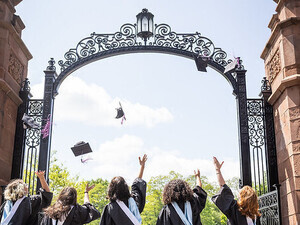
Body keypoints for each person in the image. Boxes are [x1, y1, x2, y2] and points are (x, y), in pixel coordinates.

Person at [99, 154, 147, 225]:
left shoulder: (109, 208)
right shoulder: (133, 202)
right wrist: (142, 167)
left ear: (111, 190)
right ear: (125, 187)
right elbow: (137, 185)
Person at [212, 157, 261, 225]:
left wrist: (217, 170)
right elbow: (224, 190)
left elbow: (223, 189)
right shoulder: (255, 215)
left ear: (243, 197)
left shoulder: (236, 209)